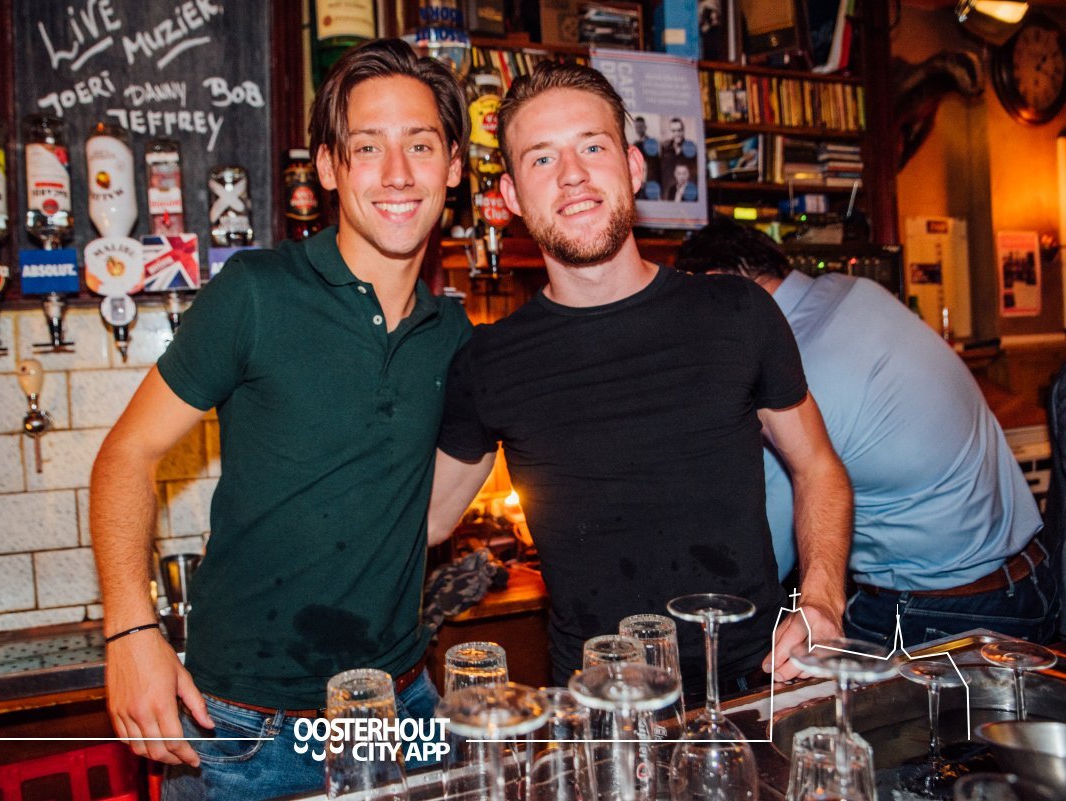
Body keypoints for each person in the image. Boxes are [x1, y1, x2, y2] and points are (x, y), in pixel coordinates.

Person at [90, 39, 470, 800]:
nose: (398, 173)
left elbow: (427, 521)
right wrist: (130, 631)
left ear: (453, 167)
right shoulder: (256, 292)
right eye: (368, 146)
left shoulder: (453, 336)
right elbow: (126, 454)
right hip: (244, 729)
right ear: (329, 167)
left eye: (421, 145)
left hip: (403, 709)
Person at [428, 61, 851, 692]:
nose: (572, 174)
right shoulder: (489, 359)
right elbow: (427, 522)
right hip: (604, 705)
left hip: (756, 685)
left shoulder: (736, 312)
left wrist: (821, 599)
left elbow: (817, 466)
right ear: (511, 197)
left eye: (592, 147)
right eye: (542, 158)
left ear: (632, 166)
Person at [679, 218, 1060, 648]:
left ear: (718, 284)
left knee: (771, 661)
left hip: (948, 611)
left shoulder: (797, 367)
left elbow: (764, 556)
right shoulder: (852, 290)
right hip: (1032, 579)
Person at [661, 116, 698, 191]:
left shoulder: (691, 148)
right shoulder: (665, 147)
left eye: (679, 130)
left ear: (683, 130)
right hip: (668, 190)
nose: (677, 134)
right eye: (673, 131)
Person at [631, 116, 661, 200]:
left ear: (645, 127)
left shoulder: (651, 143)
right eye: (637, 127)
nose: (639, 129)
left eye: (641, 127)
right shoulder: (635, 144)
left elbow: (656, 165)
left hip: (650, 181)